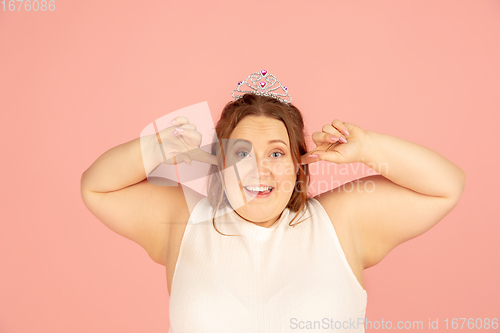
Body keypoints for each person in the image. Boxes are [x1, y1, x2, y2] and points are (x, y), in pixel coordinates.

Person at [80, 70, 466, 332]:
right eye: (241, 153)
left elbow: (445, 185)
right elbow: (97, 187)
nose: (259, 170)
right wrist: (156, 145)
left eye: (277, 153)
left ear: (300, 164)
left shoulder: (341, 221)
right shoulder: (185, 220)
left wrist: (368, 147)